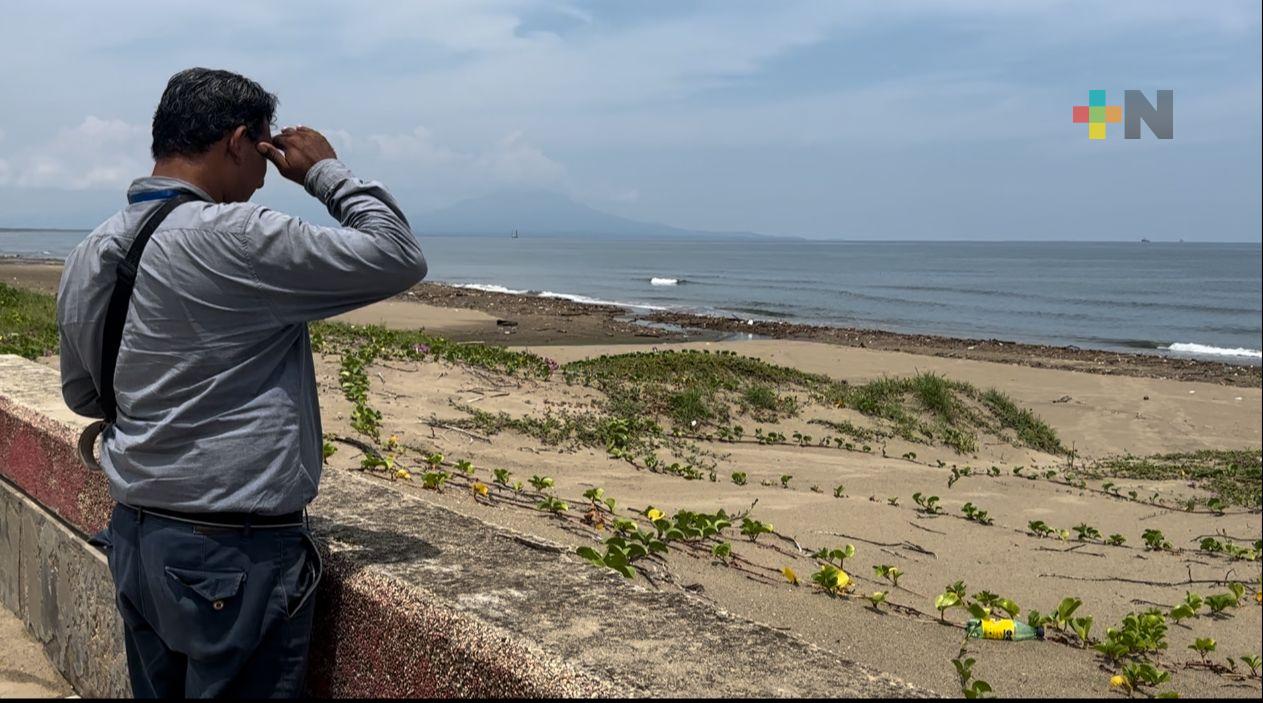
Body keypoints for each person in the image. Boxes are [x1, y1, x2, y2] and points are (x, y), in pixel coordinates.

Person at [55, 67, 427, 698]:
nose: (263, 175)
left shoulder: (94, 247)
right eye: (263, 151)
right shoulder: (241, 237)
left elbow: (84, 395)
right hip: (233, 558)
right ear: (237, 141)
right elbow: (397, 256)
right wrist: (323, 173)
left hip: (137, 535)